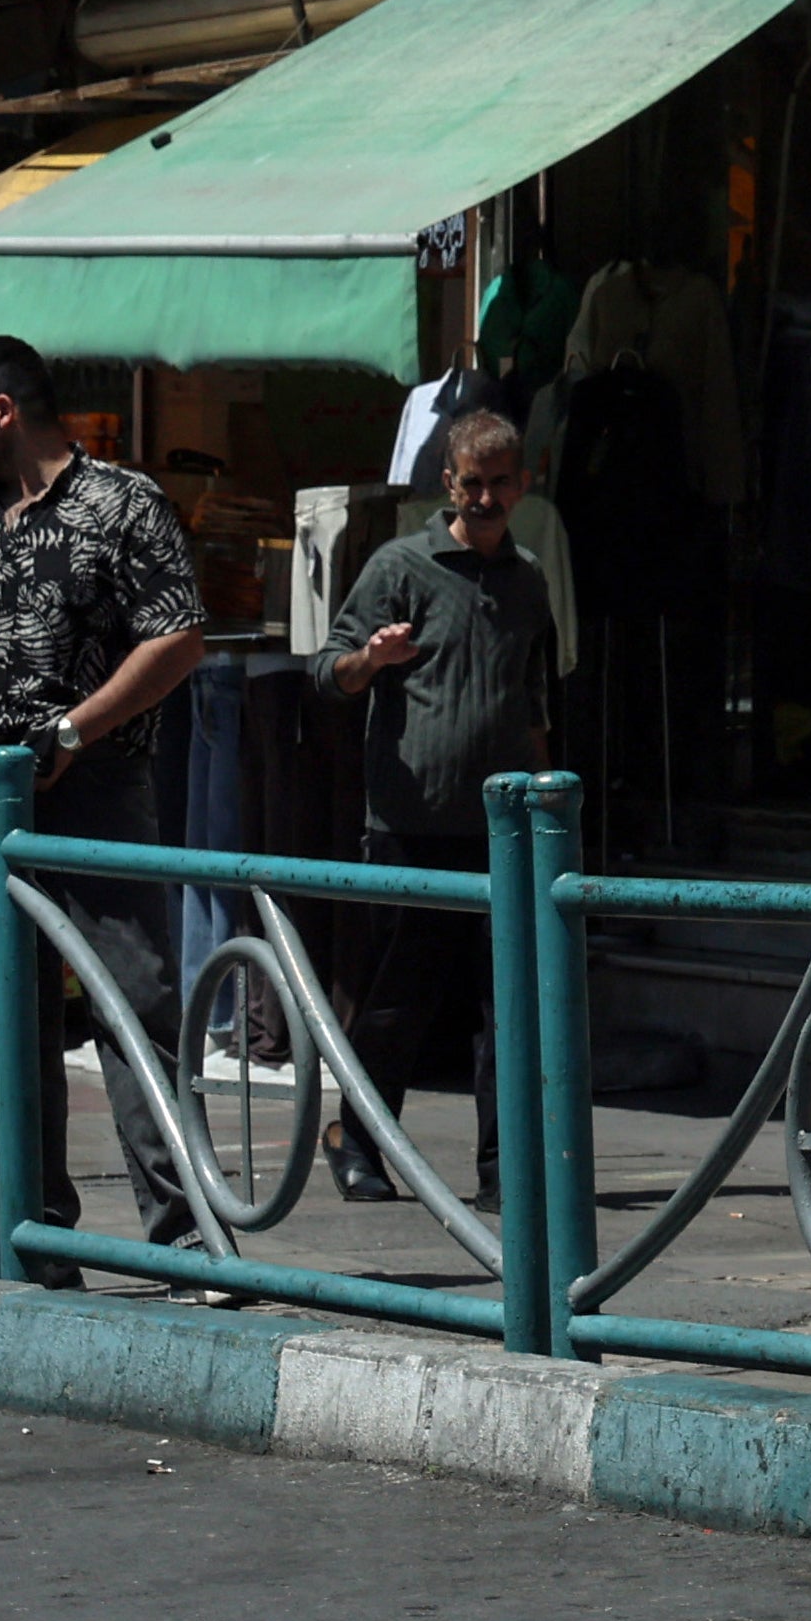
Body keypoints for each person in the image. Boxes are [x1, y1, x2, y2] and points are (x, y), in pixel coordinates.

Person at [0, 336, 208, 1280]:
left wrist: (72, 733)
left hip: (91, 789)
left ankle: (185, 1234)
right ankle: (32, 1232)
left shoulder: (121, 503)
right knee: (2, 1009)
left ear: (4, 408)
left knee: (132, 1001)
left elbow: (178, 638)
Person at [317, 409, 555, 1204]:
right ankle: (356, 1141)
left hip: (501, 833)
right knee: (396, 1005)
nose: (485, 498)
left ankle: (503, 1168)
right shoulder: (402, 566)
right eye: (472, 483)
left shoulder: (526, 581)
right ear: (449, 484)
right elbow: (327, 672)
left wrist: (546, 813)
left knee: (505, 1010)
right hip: (411, 829)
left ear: (522, 485)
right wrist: (370, 659)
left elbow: (533, 703)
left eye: (500, 484)